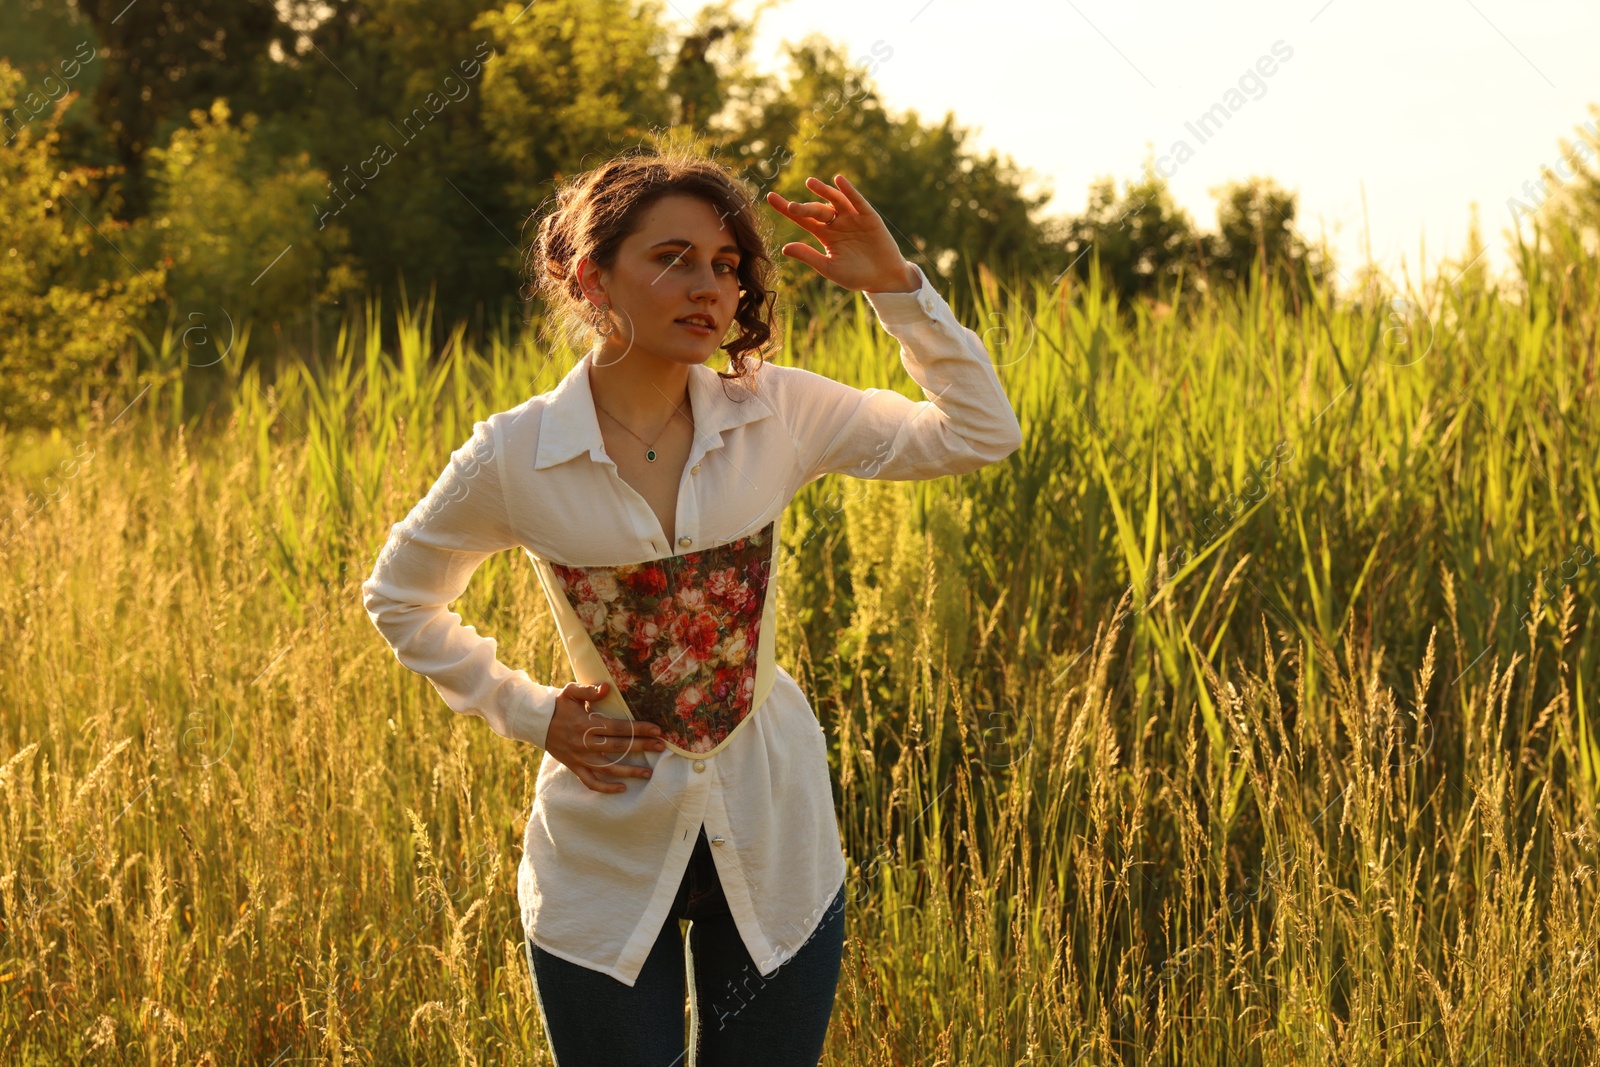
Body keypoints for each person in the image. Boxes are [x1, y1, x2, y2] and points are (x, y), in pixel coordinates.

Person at [361, 146, 1023, 1065]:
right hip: (605, 857)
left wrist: (896, 290)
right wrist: (530, 711)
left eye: (724, 265)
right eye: (671, 258)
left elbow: (980, 433)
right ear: (591, 275)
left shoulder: (777, 412)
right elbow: (399, 595)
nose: (708, 287)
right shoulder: (516, 455)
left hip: (776, 837)